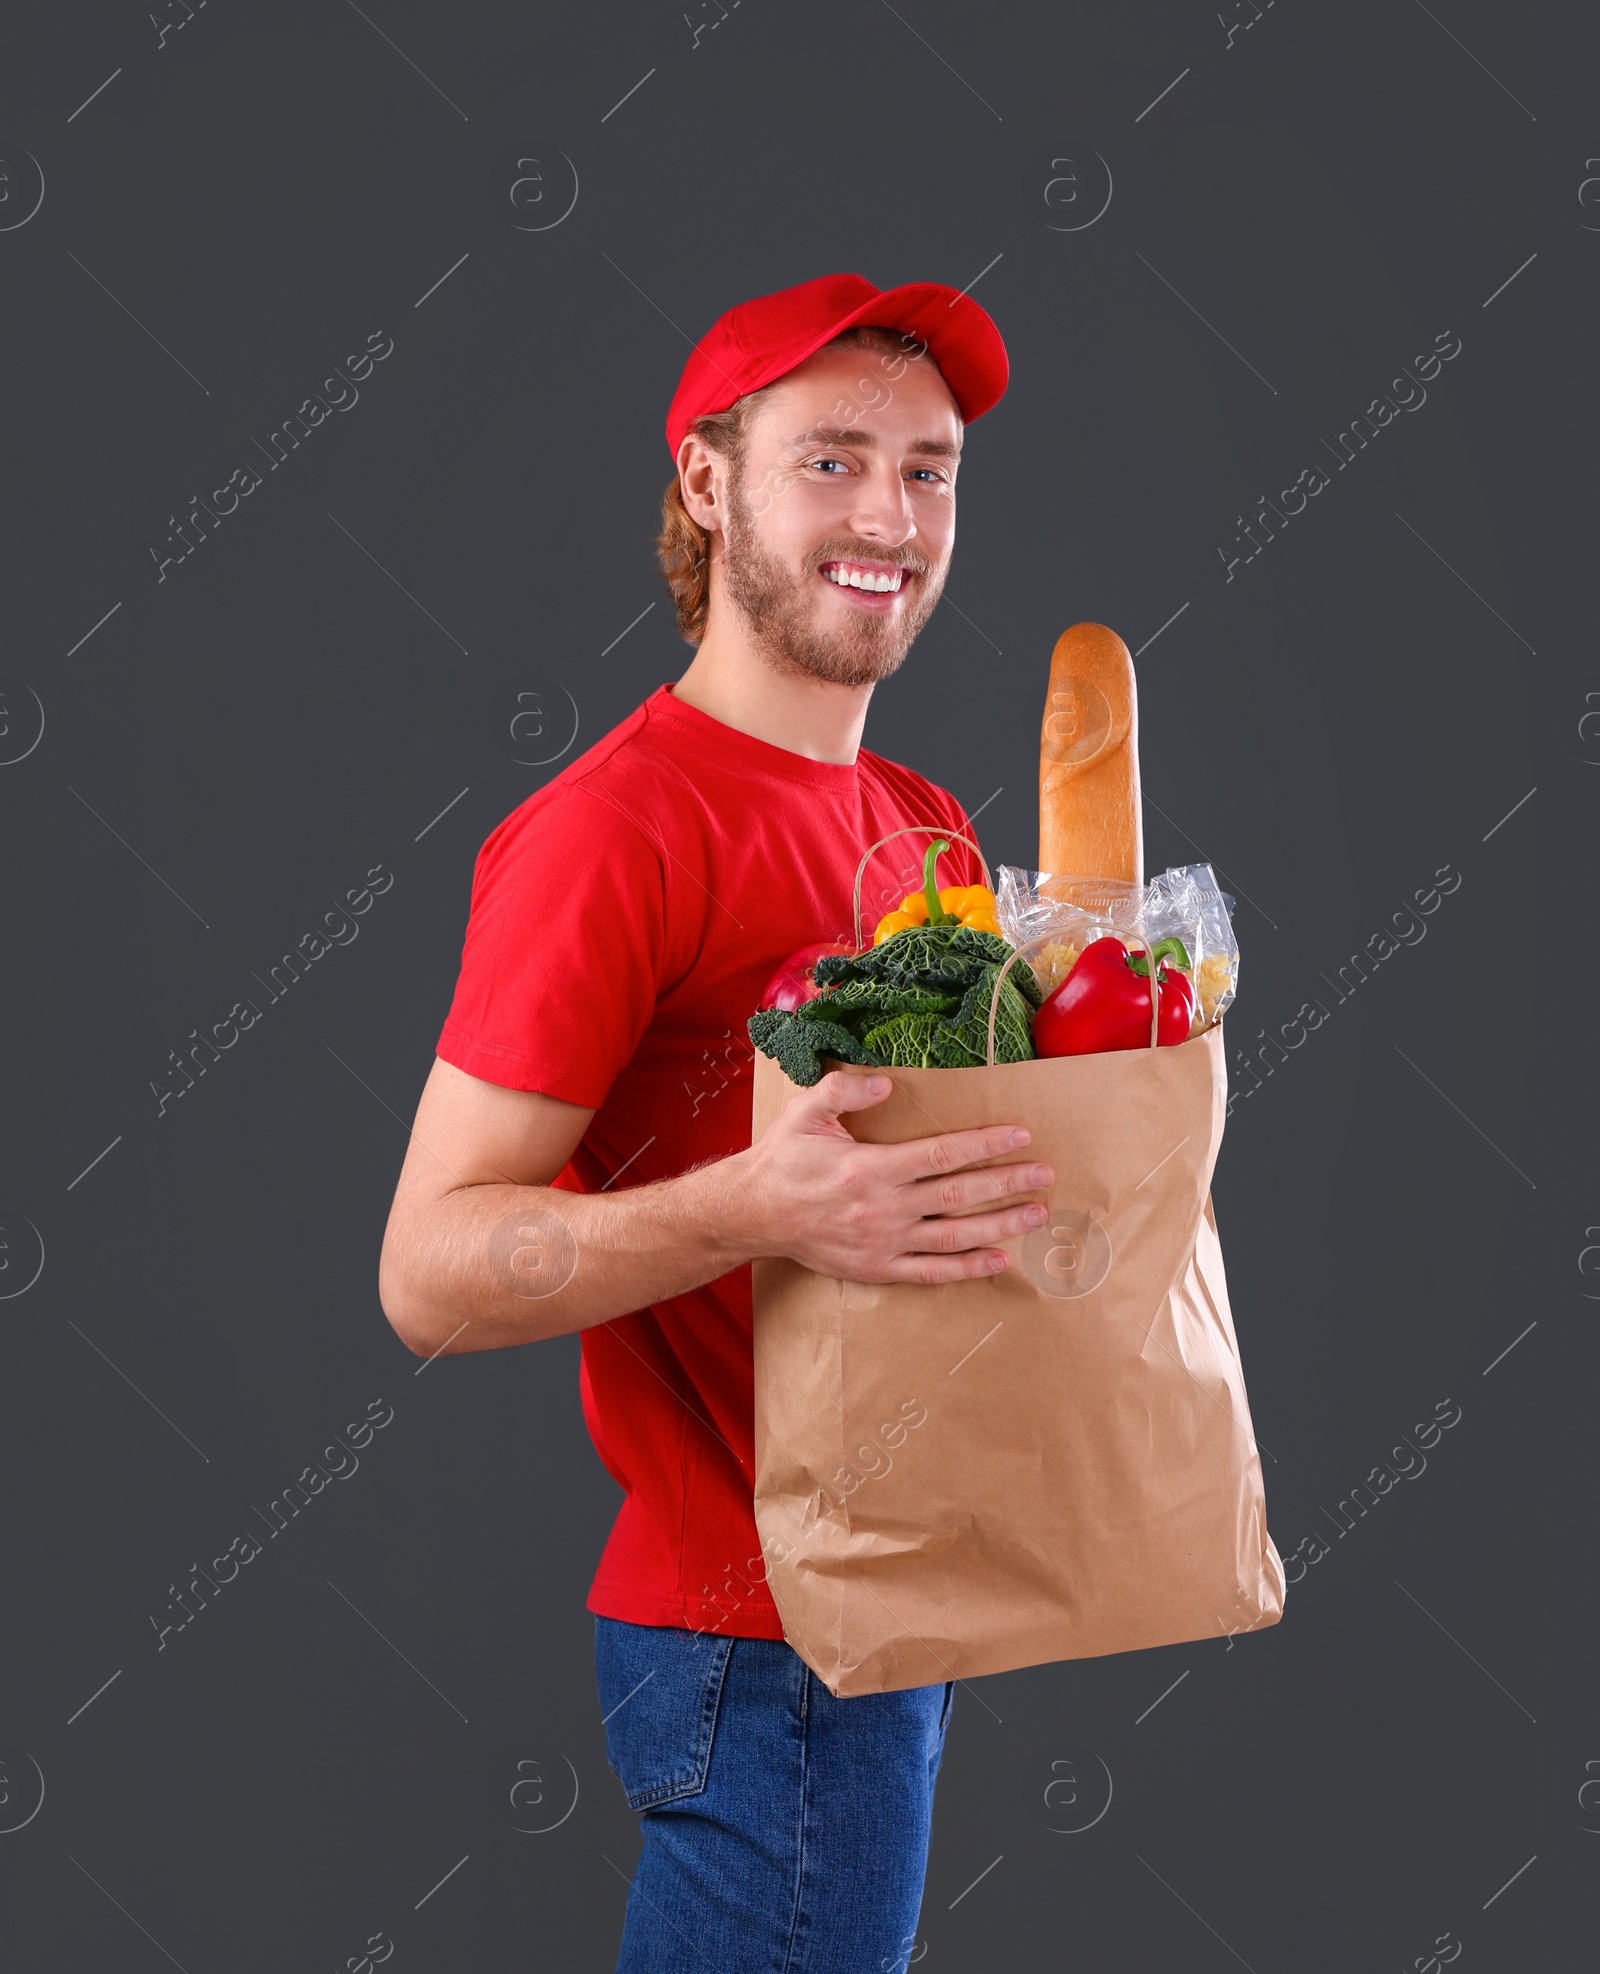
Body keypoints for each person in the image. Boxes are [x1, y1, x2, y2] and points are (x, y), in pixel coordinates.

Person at [377, 271, 1054, 1972]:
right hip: (756, 1636)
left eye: (929, 467)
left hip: (896, 1599)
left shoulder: (922, 825)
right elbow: (429, 1272)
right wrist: (757, 1203)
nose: (890, 515)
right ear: (706, 484)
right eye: (830, 461)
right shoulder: (614, 832)